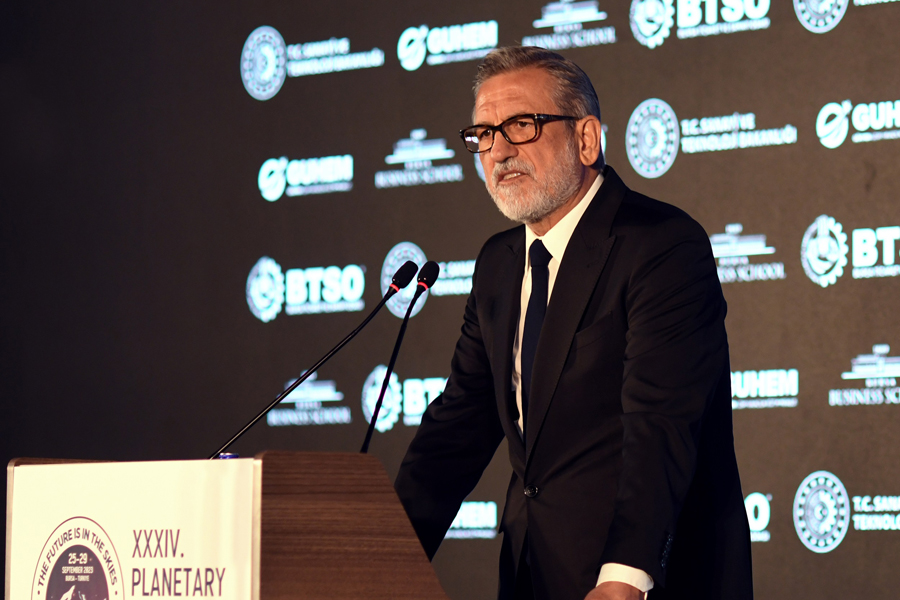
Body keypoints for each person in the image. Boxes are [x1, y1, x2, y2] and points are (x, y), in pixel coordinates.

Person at [394, 46, 752, 600]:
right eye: (484, 134)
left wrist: (623, 577)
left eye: (522, 125)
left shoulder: (661, 246)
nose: (499, 150)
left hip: (639, 585)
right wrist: (378, 554)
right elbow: (456, 431)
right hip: (531, 577)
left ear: (586, 139)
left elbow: (660, 428)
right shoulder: (497, 264)